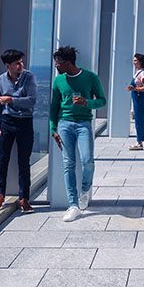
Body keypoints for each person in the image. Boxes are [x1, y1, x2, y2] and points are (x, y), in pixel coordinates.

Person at [48, 45, 106, 222]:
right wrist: (53, 128)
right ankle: (73, 204)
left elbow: (102, 101)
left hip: (83, 124)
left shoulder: (90, 77)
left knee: (87, 159)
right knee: (68, 163)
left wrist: (86, 103)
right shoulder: (58, 81)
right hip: (64, 124)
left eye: (58, 63)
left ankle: (85, 191)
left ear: (67, 63)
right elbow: (54, 107)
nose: (56, 66)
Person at [0, 49, 37, 213]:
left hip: (25, 122)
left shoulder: (29, 77)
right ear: (8, 65)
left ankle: (24, 198)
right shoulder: (0, 80)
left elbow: (31, 101)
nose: (21, 65)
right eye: (17, 63)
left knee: (24, 161)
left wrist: (11, 100)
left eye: (21, 62)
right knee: (2, 159)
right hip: (7, 122)